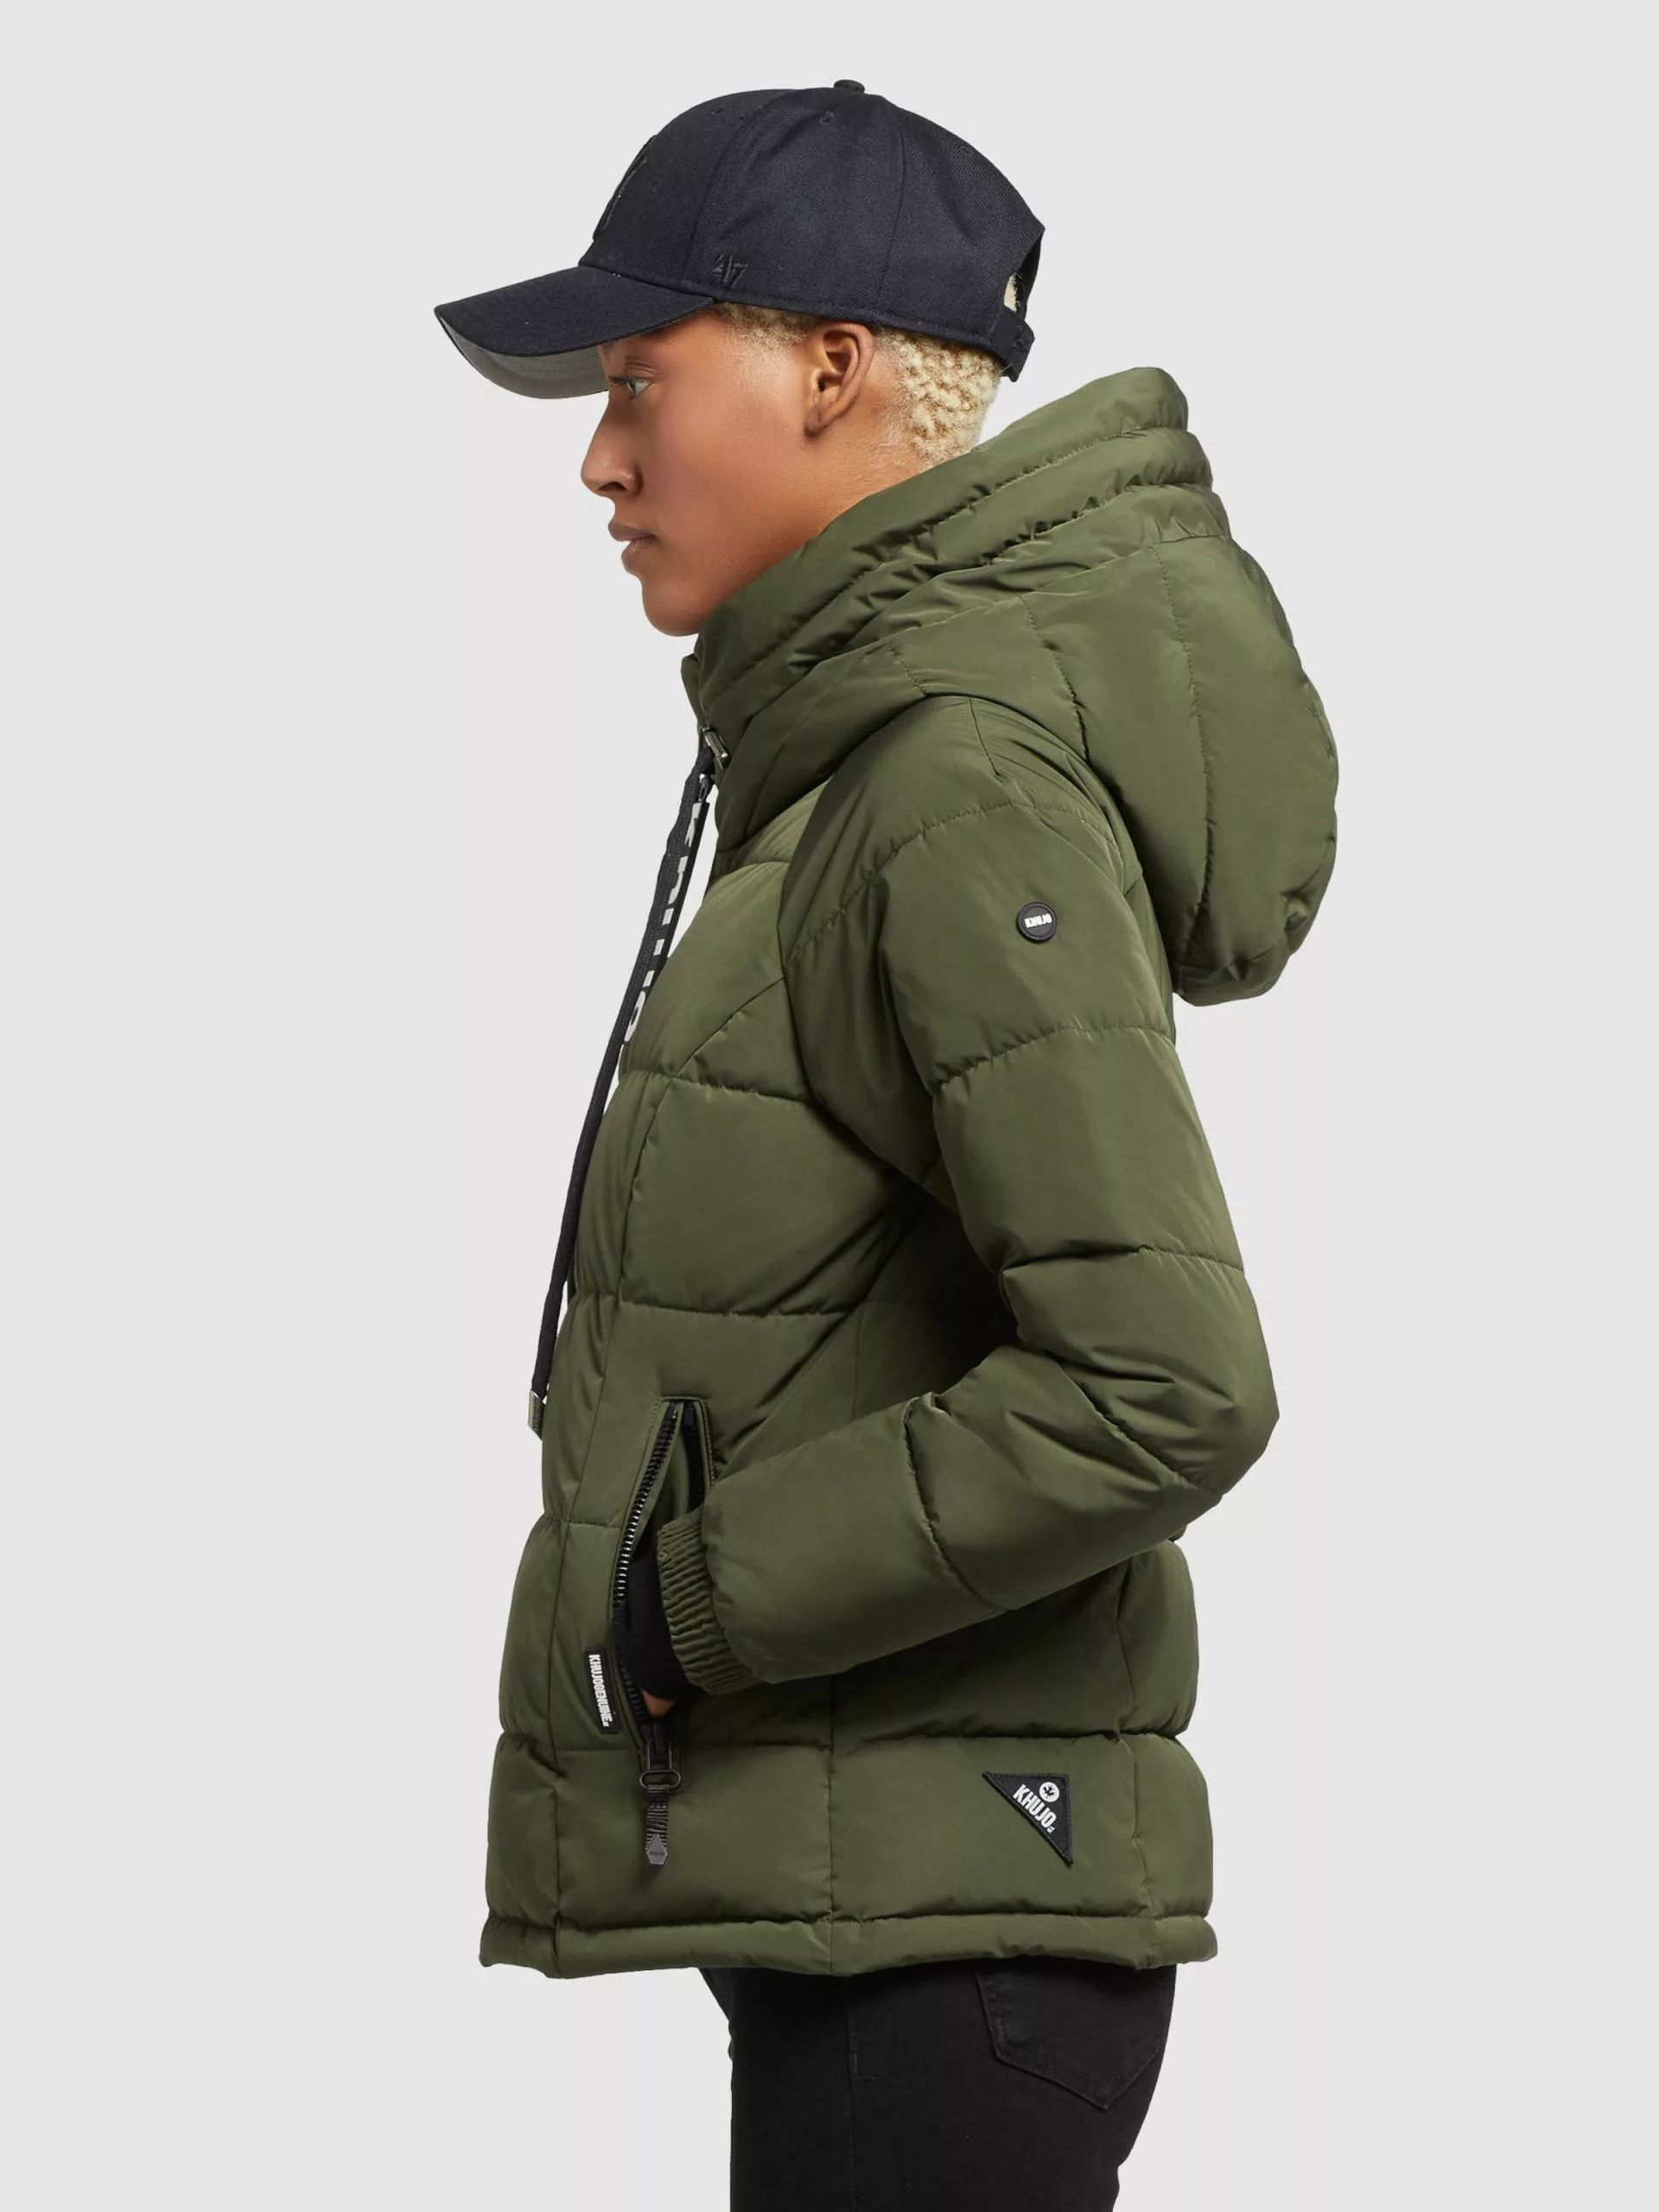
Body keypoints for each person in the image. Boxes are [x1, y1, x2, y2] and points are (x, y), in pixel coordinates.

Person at [435, 79, 1338, 2210]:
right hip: (889, 1907)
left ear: (832, 370)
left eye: (641, 379)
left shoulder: (952, 793)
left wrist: (698, 1600)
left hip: (956, 1938)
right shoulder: (852, 775)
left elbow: (1169, 1379)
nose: (598, 457)